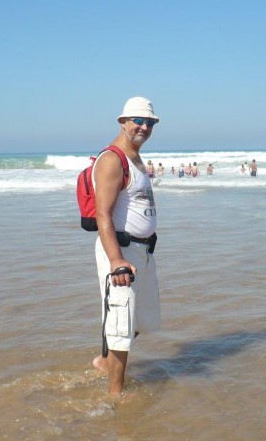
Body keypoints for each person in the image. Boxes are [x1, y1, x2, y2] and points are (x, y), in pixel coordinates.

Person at [90, 96, 161, 396]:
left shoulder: (137, 160)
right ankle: (115, 397)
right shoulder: (112, 159)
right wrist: (116, 260)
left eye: (150, 122)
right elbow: (102, 215)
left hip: (142, 251)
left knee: (142, 318)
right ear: (123, 122)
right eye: (138, 121)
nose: (144, 127)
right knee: (121, 325)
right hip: (121, 252)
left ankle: (106, 362)